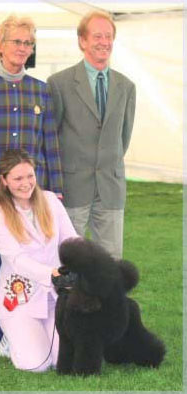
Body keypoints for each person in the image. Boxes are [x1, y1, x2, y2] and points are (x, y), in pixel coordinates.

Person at [0, 15, 63, 346]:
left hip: (33, 195)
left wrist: (56, 190)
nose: (23, 48)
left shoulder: (42, 91)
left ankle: (39, 326)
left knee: (38, 261)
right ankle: (4, 335)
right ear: (0, 45)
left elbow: (50, 142)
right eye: (17, 42)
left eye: (28, 43)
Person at [47, 11, 136, 259]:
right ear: (82, 41)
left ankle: (105, 301)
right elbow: (51, 137)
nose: (104, 42)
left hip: (110, 186)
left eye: (109, 36)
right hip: (73, 187)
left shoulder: (127, 86)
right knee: (69, 261)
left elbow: (123, 137)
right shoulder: (59, 83)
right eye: (97, 36)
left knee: (111, 264)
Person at [0, 149, 77, 372]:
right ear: (4, 181)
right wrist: (53, 274)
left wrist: (87, 263)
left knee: (62, 360)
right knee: (36, 364)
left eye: (30, 176)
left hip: (55, 298)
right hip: (20, 299)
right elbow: (16, 259)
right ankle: (10, 341)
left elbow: (72, 239)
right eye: (17, 178)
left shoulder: (50, 200)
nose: (25, 183)